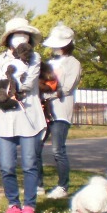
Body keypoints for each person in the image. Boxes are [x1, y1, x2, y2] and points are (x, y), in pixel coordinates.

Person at [0, 17, 45, 213]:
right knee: (6, 165)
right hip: (4, 119)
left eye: (24, 35)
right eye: (16, 35)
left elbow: (28, 82)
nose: (20, 39)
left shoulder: (34, 58)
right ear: (8, 38)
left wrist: (10, 89)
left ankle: (29, 206)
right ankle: (13, 204)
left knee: (29, 164)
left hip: (29, 118)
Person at [39, 24, 83, 199]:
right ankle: (38, 184)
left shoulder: (73, 63)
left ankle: (62, 186)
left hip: (61, 112)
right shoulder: (49, 62)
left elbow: (67, 88)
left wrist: (47, 95)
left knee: (58, 149)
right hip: (43, 111)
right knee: (35, 147)